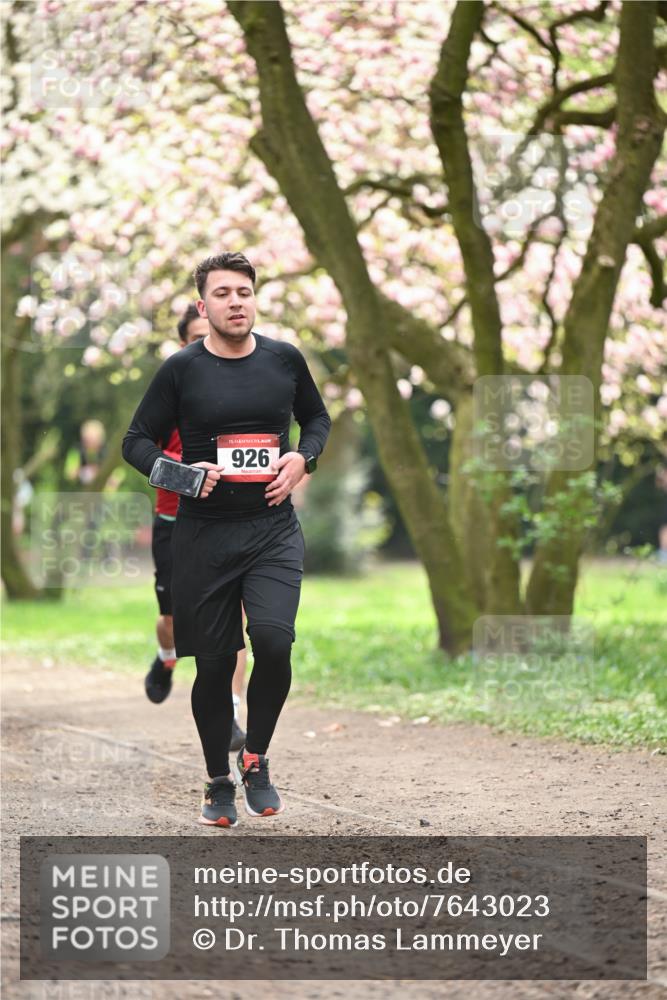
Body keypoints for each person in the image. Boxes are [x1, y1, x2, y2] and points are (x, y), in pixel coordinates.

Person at [123, 252, 330, 827]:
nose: (235, 302)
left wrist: (302, 458)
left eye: (244, 291)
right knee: (213, 666)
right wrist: (184, 476)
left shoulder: (284, 360)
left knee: (273, 639)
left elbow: (317, 420)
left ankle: (257, 758)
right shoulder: (181, 369)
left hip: (271, 531)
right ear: (202, 305)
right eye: (222, 293)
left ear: (254, 298)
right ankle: (218, 780)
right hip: (203, 538)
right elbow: (136, 441)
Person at [144, 304, 247, 753]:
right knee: (173, 621)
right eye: (197, 337)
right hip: (175, 521)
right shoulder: (171, 389)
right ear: (184, 345)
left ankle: (232, 713)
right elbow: (140, 448)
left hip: (234, 523)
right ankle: (167, 657)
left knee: (235, 620)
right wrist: (191, 478)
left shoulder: (246, 384)